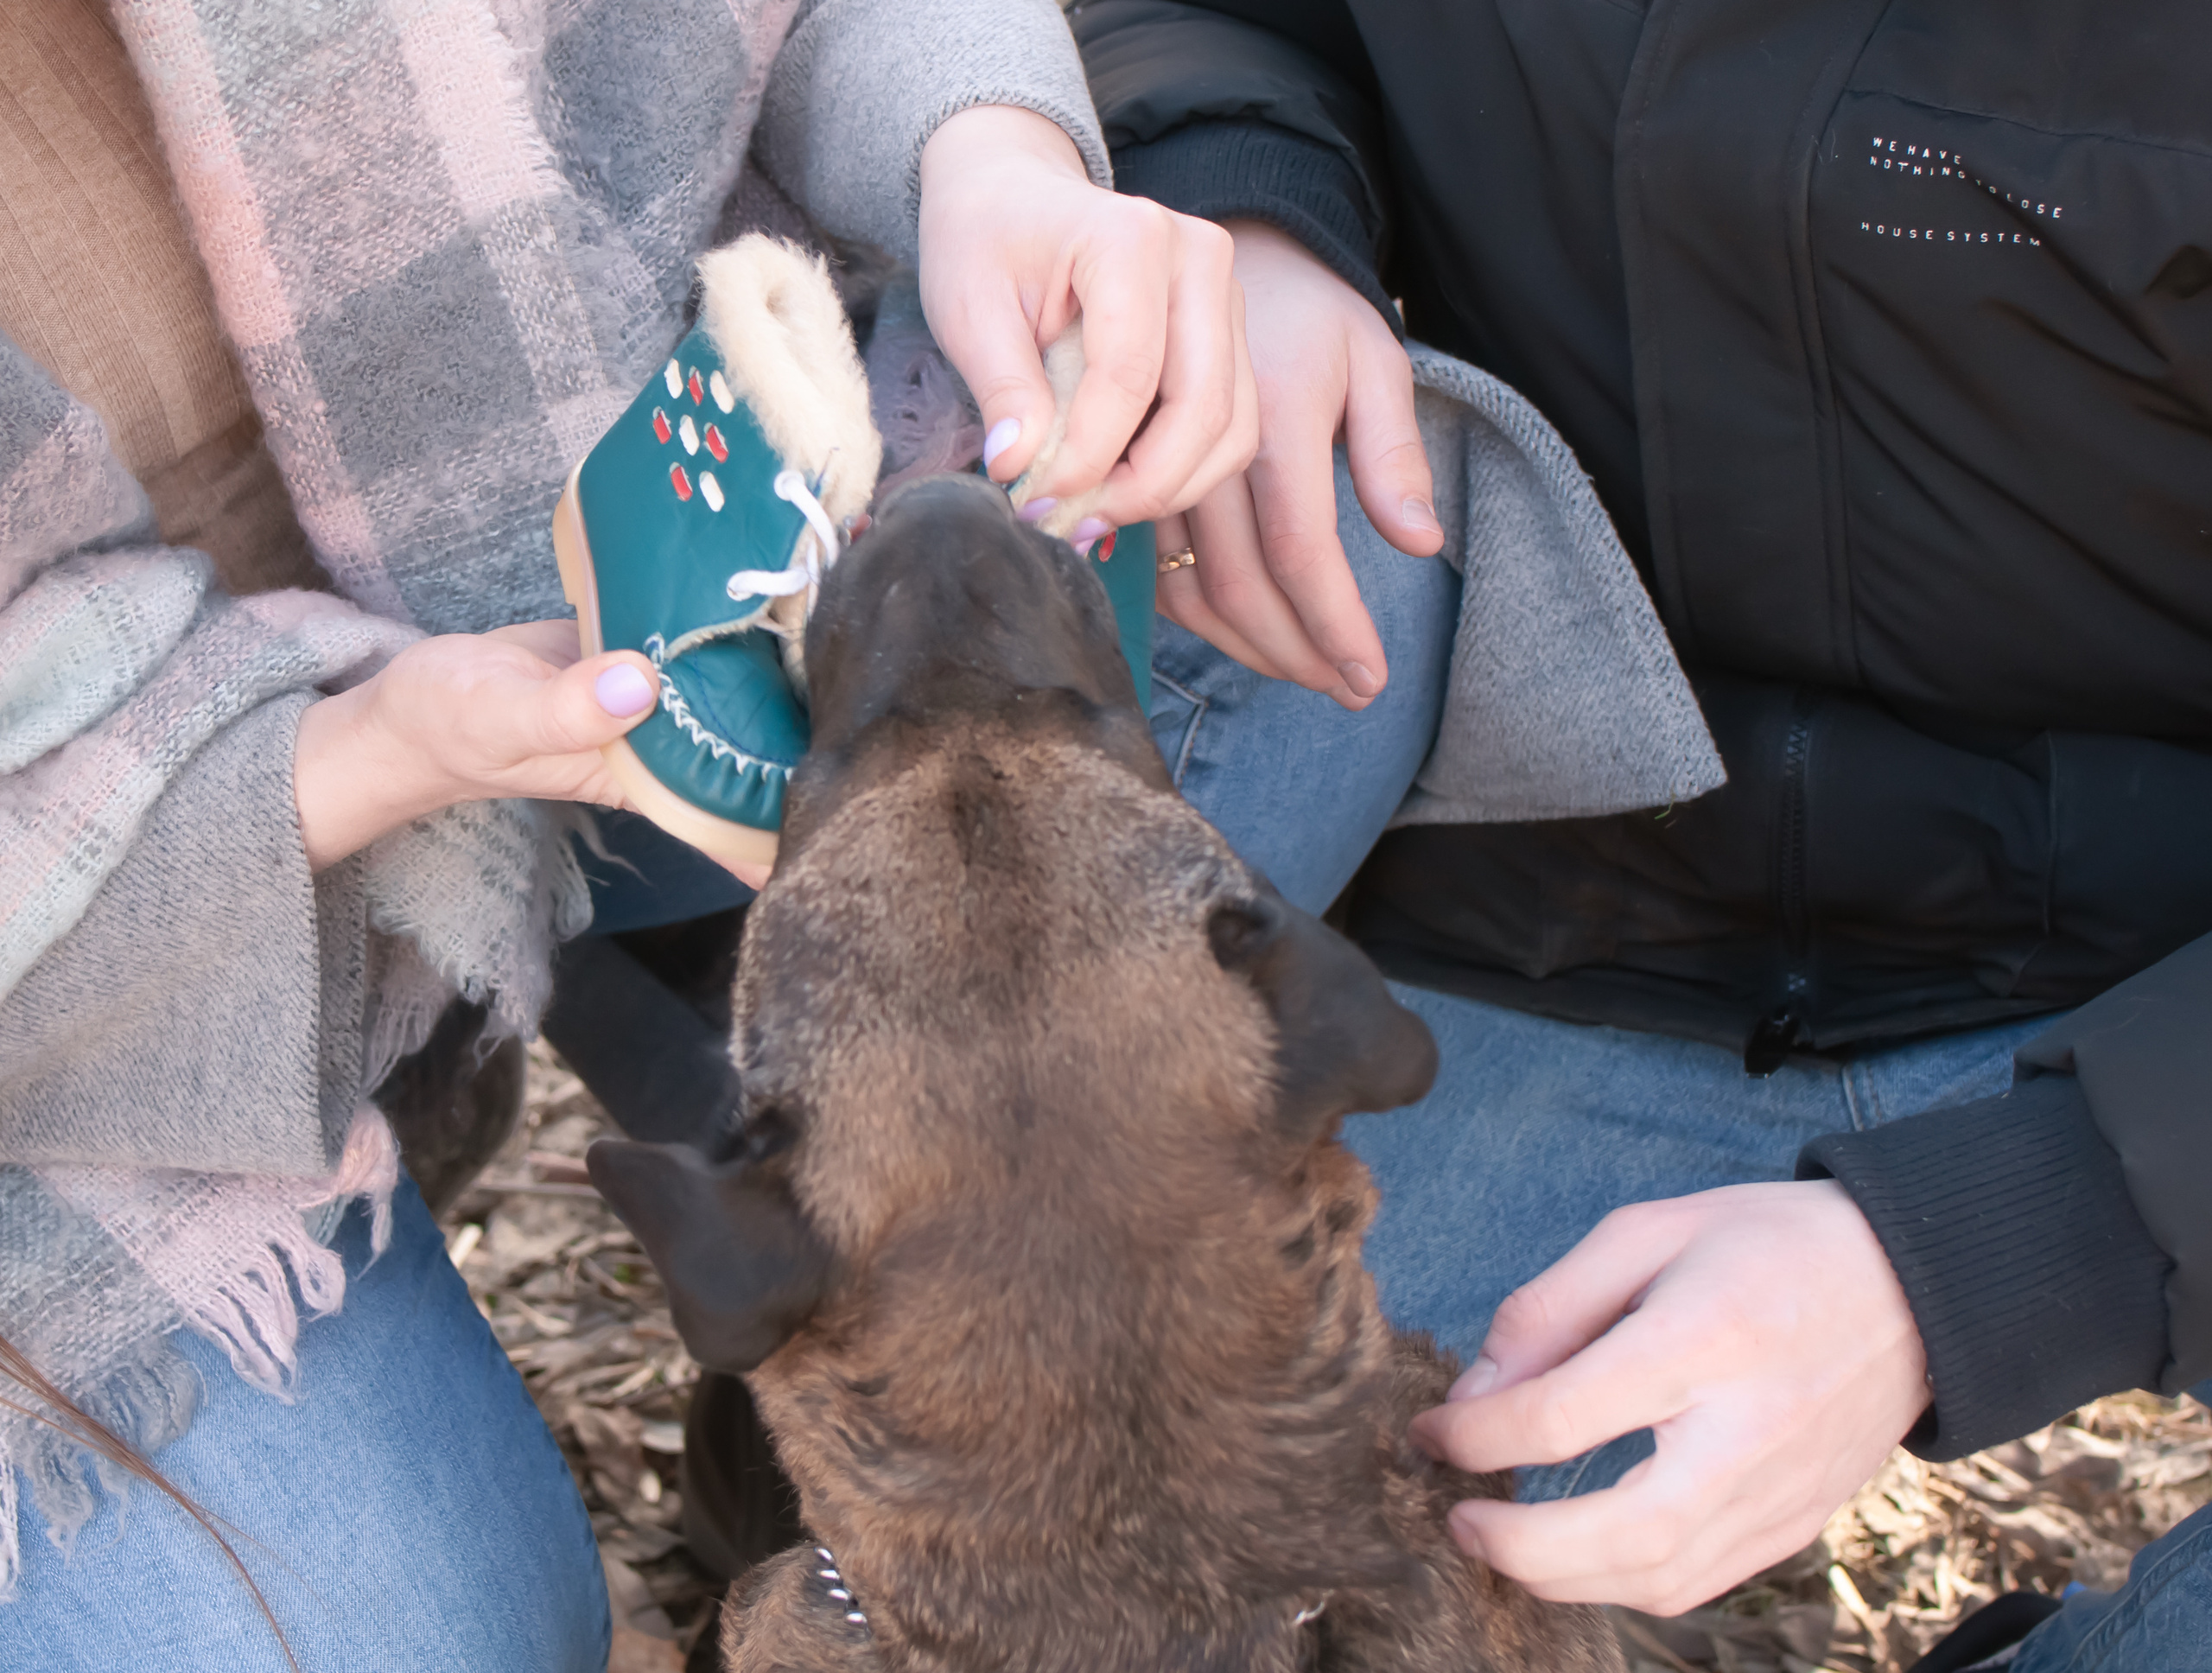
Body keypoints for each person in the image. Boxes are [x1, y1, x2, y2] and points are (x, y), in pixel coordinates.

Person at [0, 0, 1262, 1664]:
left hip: (598, 530)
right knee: (398, 1636)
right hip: (76, 913)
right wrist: (365, 761)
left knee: (1259, 552)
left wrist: (991, 149)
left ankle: (866, 1289)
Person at [1057, 3, 2212, 1668]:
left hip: (2153, 985)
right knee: (1112, 1594)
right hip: (1561, 918)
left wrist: (1991, 1246)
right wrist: (1236, 203)